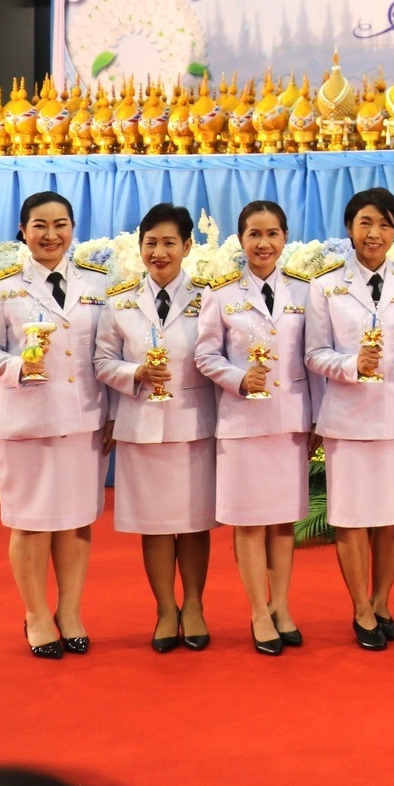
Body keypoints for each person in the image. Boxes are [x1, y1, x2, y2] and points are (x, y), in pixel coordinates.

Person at [0, 190, 111, 659]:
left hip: (84, 421)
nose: (51, 235)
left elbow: (106, 355)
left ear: (73, 228)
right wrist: (17, 367)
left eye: (60, 225)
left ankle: (69, 612)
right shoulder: (1, 286)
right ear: (23, 230)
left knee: (76, 522)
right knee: (30, 524)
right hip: (27, 423)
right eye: (40, 226)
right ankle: (35, 615)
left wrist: (112, 413)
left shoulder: (96, 283)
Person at [305, 187, 394, 651]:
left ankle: (382, 601)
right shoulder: (325, 286)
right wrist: (350, 364)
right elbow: (314, 353)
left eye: (385, 225)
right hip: (349, 418)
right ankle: (359, 608)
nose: (374, 233)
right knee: (352, 517)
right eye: (365, 223)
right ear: (349, 228)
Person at [94, 202, 218, 653]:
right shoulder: (120, 300)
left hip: (195, 425)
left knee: (195, 523)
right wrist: (136, 373)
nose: (159, 252)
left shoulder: (209, 298)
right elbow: (102, 362)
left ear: (188, 246)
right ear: (140, 246)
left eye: (169, 243)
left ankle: (195, 606)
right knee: (156, 525)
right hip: (142, 426)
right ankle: (166, 609)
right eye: (151, 243)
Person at [193, 200, 316, 656]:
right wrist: (238, 378)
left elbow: (314, 357)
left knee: (282, 520)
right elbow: (205, 355)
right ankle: (258, 612)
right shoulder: (221, 293)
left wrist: (318, 417)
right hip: (242, 422)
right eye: (254, 234)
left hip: (289, 420)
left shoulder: (305, 291)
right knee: (248, 522)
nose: (264, 243)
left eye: (272, 234)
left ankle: (281, 605)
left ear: (285, 237)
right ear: (241, 239)